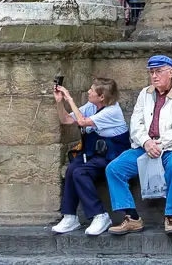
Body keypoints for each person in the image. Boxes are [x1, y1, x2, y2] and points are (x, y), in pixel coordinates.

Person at [105, 54, 172, 236]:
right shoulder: (144, 94)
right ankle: (132, 218)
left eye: (158, 71)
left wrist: (159, 144)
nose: (154, 76)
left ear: (170, 72)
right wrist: (146, 142)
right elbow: (136, 123)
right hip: (144, 146)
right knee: (114, 169)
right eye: (151, 72)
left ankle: (171, 215)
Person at [50, 76, 128, 236]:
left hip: (113, 156)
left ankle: (100, 215)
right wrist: (60, 102)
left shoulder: (112, 111)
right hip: (94, 154)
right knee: (72, 168)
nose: (88, 91)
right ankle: (70, 216)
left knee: (80, 171)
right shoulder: (92, 106)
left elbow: (82, 121)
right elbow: (66, 119)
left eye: (92, 90)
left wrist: (69, 98)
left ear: (102, 97)